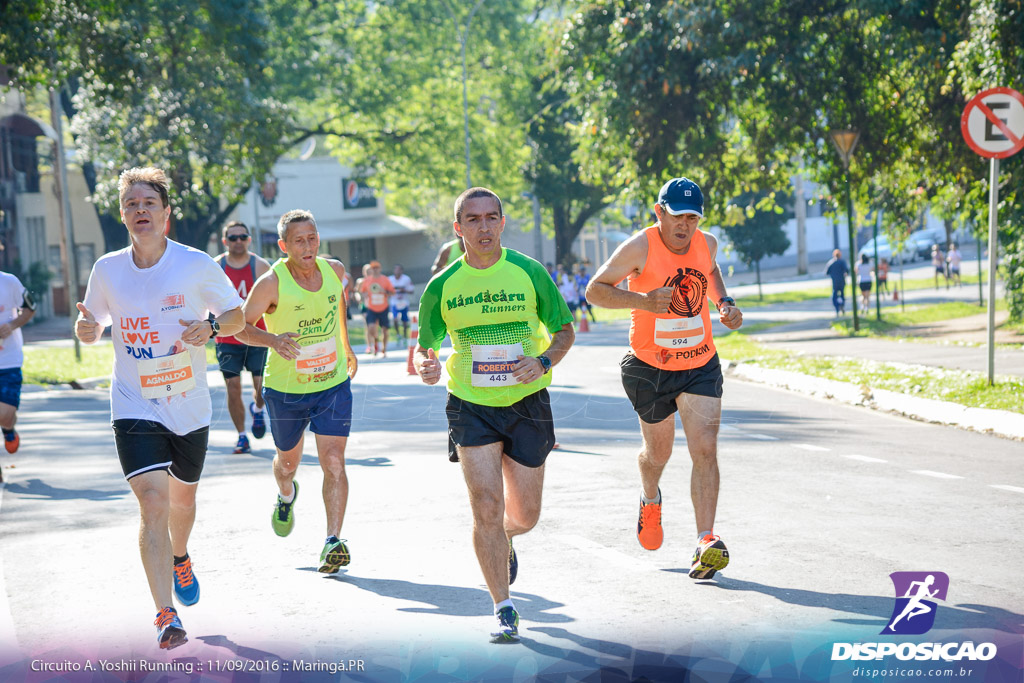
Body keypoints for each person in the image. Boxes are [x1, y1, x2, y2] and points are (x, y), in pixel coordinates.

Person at [75, 167, 245, 650]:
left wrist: (212, 328)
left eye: (149, 202)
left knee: (181, 503)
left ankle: (181, 554)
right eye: (131, 204)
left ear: (166, 214)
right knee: (153, 504)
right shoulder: (107, 269)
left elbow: (236, 314)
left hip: (188, 405)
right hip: (133, 401)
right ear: (123, 215)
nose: (140, 210)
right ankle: (165, 614)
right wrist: (86, 331)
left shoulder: (194, 264)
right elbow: (94, 321)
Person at [414, 187, 575, 643]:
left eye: (491, 218)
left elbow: (564, 331)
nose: (483, 227)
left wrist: (543, 361)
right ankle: (503, 607)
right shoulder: (442, 285)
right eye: (473, 219)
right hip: (470, 404)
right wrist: (426, 365)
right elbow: (426, 346)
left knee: (524, 516)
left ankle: (506, 536)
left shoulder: (529, 272)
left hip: (528, 403)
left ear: (502, 223)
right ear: (458, 227)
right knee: (486, 505)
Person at [585, 177, 742, 581]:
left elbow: (711, 269)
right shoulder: (640, 247)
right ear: (659, 212)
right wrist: (641, 300)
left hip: (699, 363)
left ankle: (705, 540)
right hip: (649, 369)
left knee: (705, 449)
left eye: (693, 218)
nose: (685, 226)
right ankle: (650, 498)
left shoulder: (706, 242)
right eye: (678, 216)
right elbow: (594, 291)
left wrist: (723, 302)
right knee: (658, 455)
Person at [235, 209, 359, 575]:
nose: (307, 246)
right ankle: (286, 494)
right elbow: (239, 326)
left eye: (312, 238)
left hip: (332, 383)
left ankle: (332, 540)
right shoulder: (271, 283)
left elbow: (337, 306)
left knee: (334, 461)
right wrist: (272, 340)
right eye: (299, 241)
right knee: (288, 464)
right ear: (283, 245)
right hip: (286, 389)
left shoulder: (335, 271)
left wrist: (347, 346)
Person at [213, 221, 272, 454]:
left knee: (261, 389)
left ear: (249, 239)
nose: (238, 241)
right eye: (233, 237)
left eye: (242, 237)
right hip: (227, 338)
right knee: (233, 387)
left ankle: (258, 410)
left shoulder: (260, 266)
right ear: (225, 241)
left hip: (256, 335)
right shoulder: (216, 266)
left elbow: (274, 300)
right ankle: (241, 436)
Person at [0, 267, 36, 464]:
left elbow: (31, 307)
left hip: (8, 361)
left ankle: (8, 428)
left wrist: (11, 325)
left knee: (4, 415)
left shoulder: (9, 282)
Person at [358, 261, 394, 357]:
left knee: (385, 330)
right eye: (373, 268)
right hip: (371, 308)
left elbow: (392, 292)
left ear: (380, 269)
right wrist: (364, 295)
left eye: (377, 268)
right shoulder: (367, 280)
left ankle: (384, 349)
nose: (375, 270)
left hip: (383, 308)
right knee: (370, 328)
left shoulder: (385, 279)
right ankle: (375, 342)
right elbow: (362, 292)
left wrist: (384, 291)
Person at [388, 264, 415, 345]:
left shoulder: (406, 279)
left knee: (404, 321)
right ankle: (398, 335)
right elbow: (386, 291)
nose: (397, 271)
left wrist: (404, 290)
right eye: (396, 269)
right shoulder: (390, 279)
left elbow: (411, 291)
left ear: (402, 271)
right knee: (395, 319)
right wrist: (392, 292)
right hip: (394, 302)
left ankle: (404, 336)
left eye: (399, 270)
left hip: (404, 302)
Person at [824, 249, 849, 317]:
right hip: (841, 281)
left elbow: (826, 272)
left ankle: (837, 308)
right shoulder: (842, 262)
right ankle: (842, 305)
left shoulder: (831, 263)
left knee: (835, 295)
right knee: (842, 294)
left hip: (835, 282)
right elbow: (847, 270)